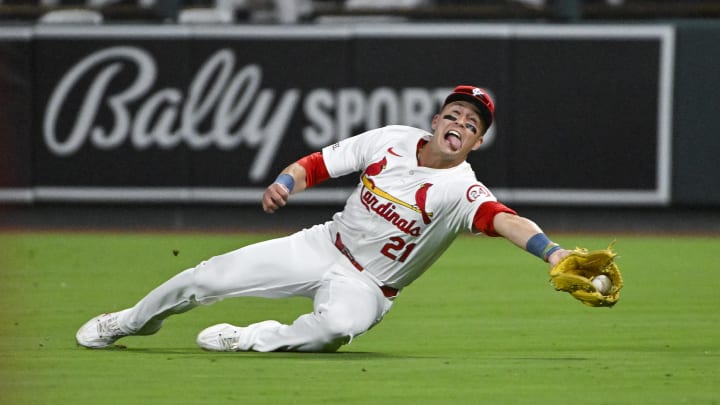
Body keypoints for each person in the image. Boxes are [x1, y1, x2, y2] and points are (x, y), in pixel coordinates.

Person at [76, 85, 571, 352]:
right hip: (323, 244)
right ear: (436, 120)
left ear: (476, 142)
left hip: (370, 287)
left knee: (335, 329)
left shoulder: (462, 188)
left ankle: (249, 338)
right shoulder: (391, 139)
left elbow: (506, 219)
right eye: (455, 115)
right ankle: (128, 322)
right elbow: (318, 164)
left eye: (472, 124)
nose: (460, 125)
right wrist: (286, 183)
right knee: (206, 276)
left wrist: (552, 252)